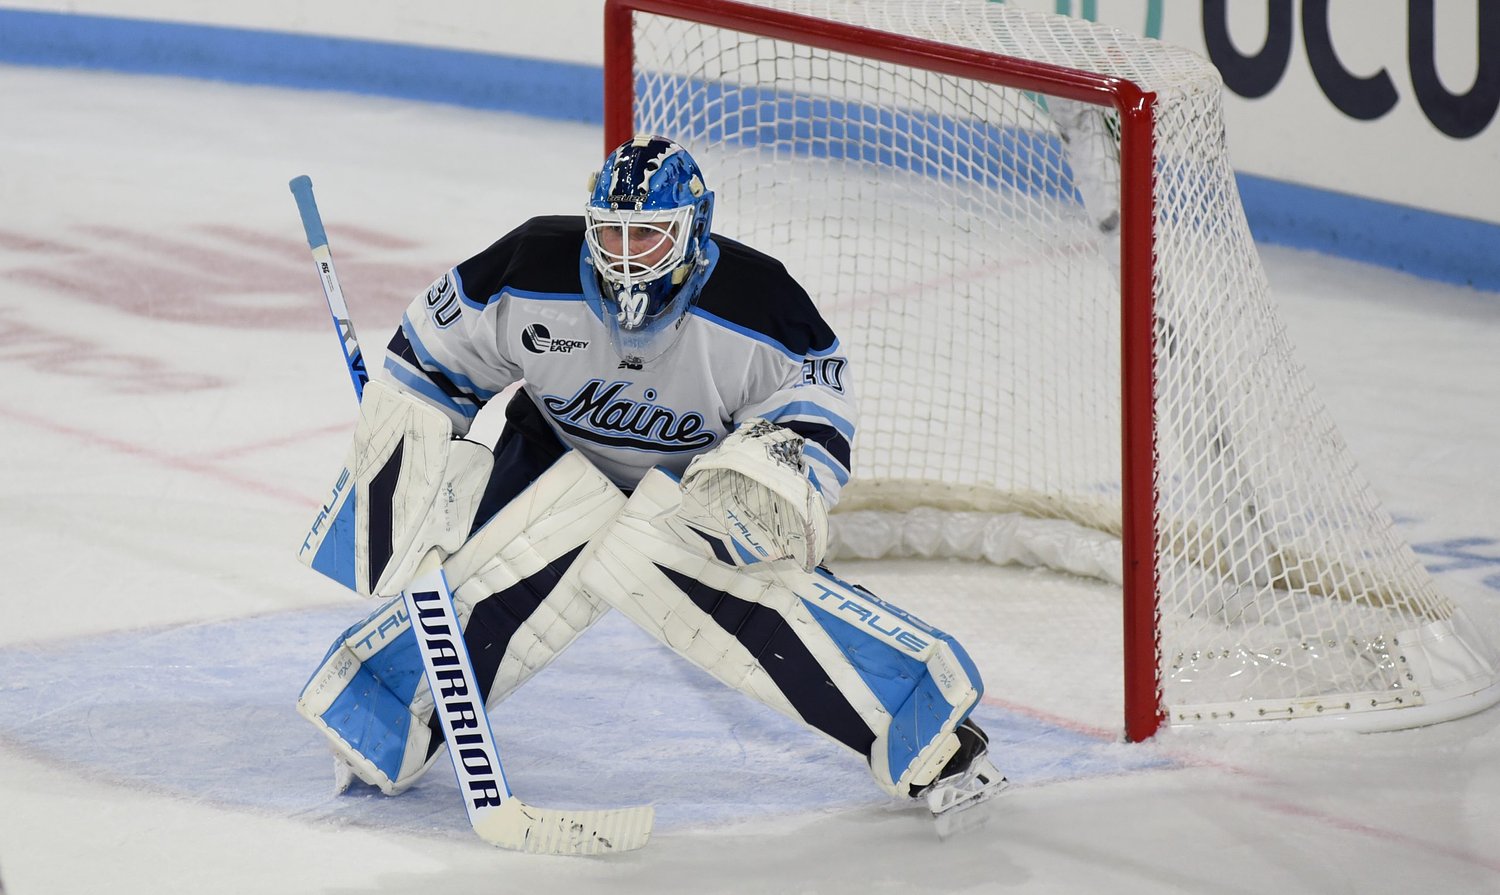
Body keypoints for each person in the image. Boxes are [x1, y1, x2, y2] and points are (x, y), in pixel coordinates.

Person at [294, 135, 1005, 823]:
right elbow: (430, 357)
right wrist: (414, 466)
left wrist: (780, 479)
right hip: (552, 452)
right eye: (613, 237)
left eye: (650, 238)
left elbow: (816, 404)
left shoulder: (758, 303)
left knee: (751, 600)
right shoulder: (530, 266)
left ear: (694, 233)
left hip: (693, 483)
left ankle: (931, 733)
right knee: (490, 572)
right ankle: (378, 712)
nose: (627, 260)